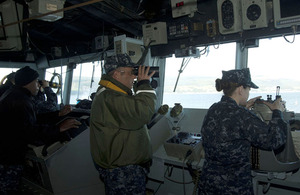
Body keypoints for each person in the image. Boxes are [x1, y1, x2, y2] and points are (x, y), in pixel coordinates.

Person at [199, 68, 287, 195]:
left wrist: (244, 108)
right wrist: (277, 112)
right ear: (241, 89)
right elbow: (274, 140)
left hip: (208, 184)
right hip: (234, 187)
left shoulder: (213, 108)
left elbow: (229, 124)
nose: (248, 93)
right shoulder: (242, 115)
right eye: (248, 89)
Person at [0, 66, 81, 194]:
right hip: (8, 158)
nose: (38, 85)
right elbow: (28, 132)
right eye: (36, 81)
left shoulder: (14, 95)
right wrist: (58, 128)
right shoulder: (20, 101)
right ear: (29, 82)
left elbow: (30, 120)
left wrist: (57, 114)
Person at [90, 54, 156, 195]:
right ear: (116, 75)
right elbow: (142, 113)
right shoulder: (111, 97)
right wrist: (144, 84)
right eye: (131, 73)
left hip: (124, 169)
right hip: (123, 172)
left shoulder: (112, 94)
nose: (134, 77)